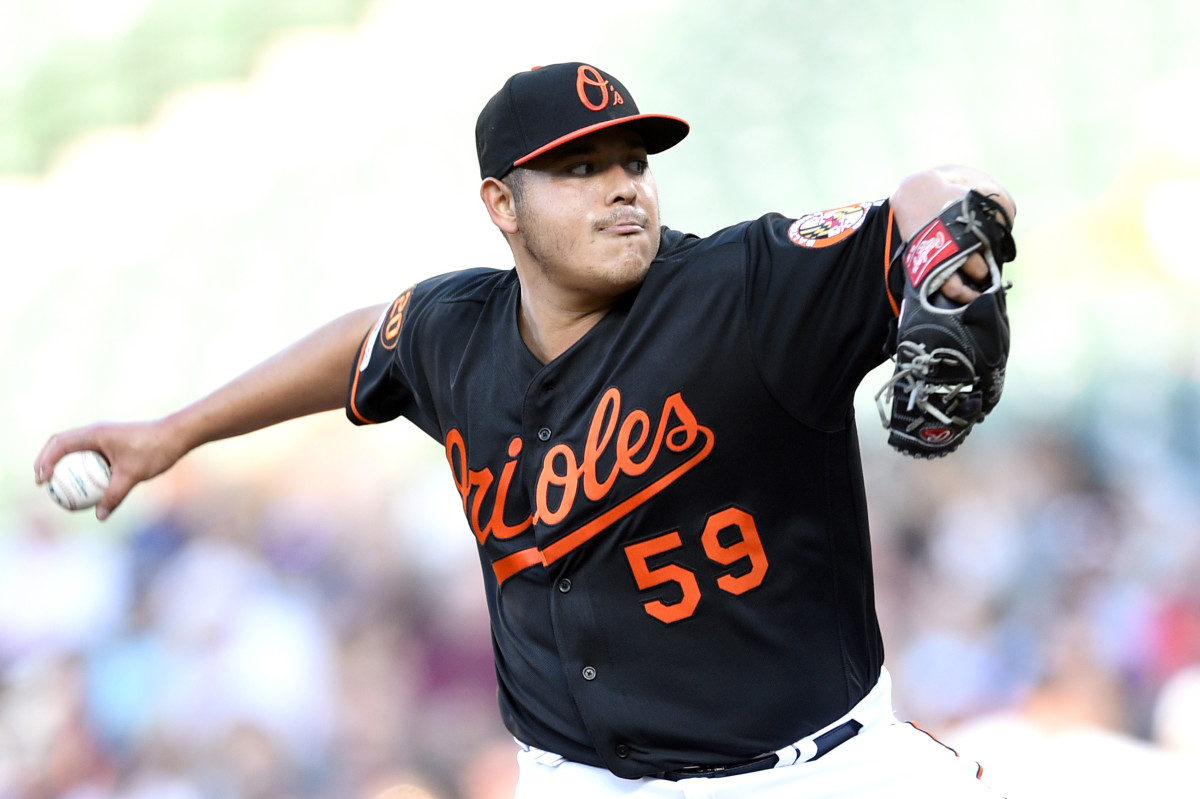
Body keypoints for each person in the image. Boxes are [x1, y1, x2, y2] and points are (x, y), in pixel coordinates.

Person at [36, 62, 1016, 797]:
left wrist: (952, 241)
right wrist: (176, 432)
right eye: (579, 169)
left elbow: (944, 198)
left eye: (633, 161)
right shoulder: (457, 333)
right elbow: (364, 344)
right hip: (575, 776)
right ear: (501, 204)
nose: (622, 185)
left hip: (805, 773)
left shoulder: (745, 289)